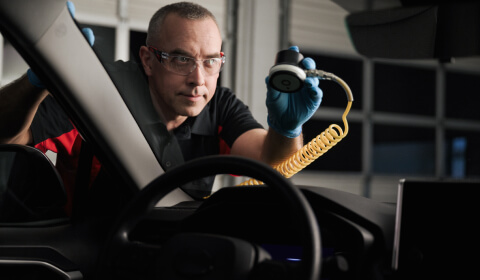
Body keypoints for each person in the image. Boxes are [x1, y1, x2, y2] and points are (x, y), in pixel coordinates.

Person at [0, 2, 322, 202]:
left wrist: (287, 129)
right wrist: (34, 84)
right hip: (96, 251)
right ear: (148, 60)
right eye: (182, 60)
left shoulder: (219, 105)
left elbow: (272, 165)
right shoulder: (103, 90)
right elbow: (9, 138)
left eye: (211, 61)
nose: (199, 79)